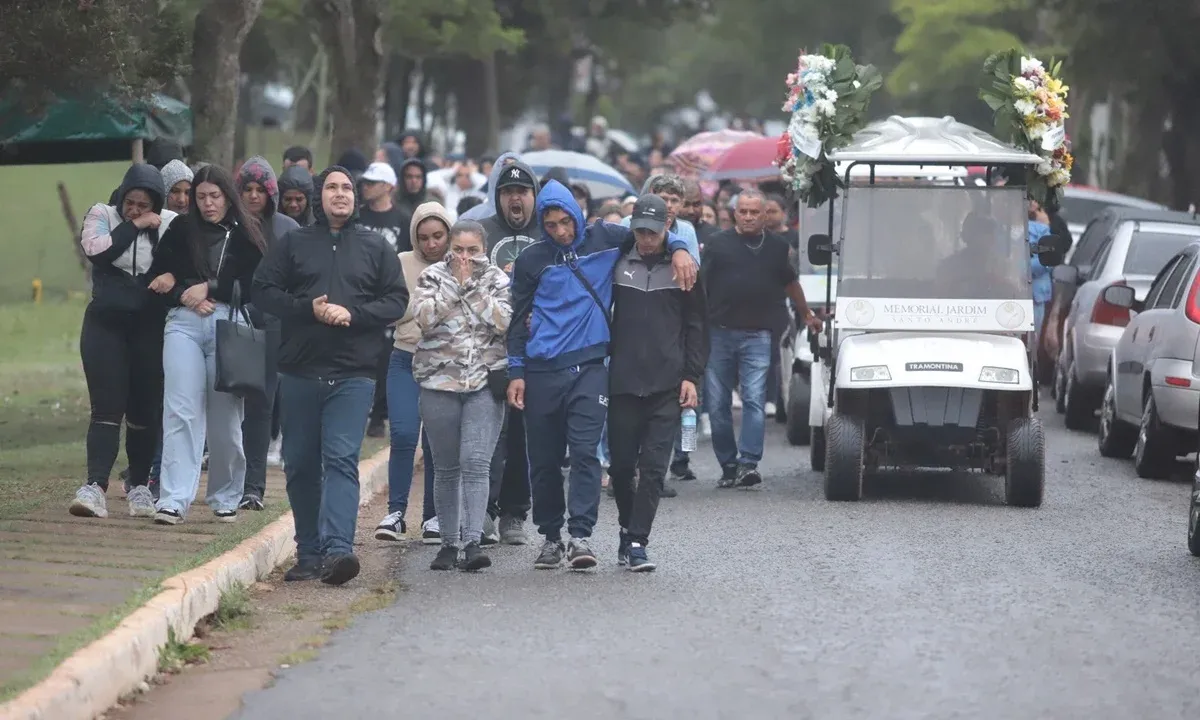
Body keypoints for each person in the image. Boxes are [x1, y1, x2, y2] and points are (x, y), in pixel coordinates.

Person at [506, 180, 696, 570]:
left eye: (566, 222)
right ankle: (551, 536)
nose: (561, 231)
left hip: (591, 367)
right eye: (552, 224)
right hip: (542, 369)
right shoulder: (532, 260)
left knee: (585, 453)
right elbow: (516, 322)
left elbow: (650, 234)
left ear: (577, 215)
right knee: (542, 460)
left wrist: (679, 248)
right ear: (542, 224)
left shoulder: (604, 238)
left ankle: (580, 536)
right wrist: (516, 371)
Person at [253, 165, 409, 586]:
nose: (340, 194)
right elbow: (263, 290)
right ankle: (309, 553)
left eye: (346, 188)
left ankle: (339, 551)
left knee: (340, 459)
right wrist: (309, 309)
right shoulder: (293, 244)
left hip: (353, 374)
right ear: (318, 196)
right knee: (301, 464)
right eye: (331, 188)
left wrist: (354, 314)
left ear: (355, 197)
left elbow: (396, 299)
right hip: (300, 370)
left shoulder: (376, 247)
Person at [147, 165, 267, 525]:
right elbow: (158, 279)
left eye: (215, 196)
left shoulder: (246, 233)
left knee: (225, 416)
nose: (207, 204)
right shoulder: (181, 229)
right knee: (180, 410)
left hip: (227, 325)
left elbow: (255, 285)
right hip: (183, 325)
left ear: (228, 196)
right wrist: (187, 293)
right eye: (201, 197)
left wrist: (210, 289)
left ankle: (226, 494)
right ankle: (173, 498)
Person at [70, 164, 179, 519]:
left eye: (143, 205)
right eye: (130, 202)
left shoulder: (170, 223)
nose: (135, 209)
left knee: (143, 412)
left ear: (156, 204)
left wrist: (170, 275)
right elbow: (97, 251)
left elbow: (188, 264)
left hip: (149, 327)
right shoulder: (101, 214)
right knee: (106, 408)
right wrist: (134, 226)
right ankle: (95, 486)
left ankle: (141, 487)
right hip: (106, 324)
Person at [608, 195, 707, 571]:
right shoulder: (617, 261)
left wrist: (692, 377)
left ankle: (637, 542)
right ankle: (625, 525)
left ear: (667, 227)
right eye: (640, 231)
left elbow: (698, 326)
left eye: (653, 231)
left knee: (652, 469)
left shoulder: (686, 269)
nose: (646, 239)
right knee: (619, 468)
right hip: (622, 381)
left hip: (667, 383)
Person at [701, 189, 821, 488]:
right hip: (719, 333)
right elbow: (700, 285)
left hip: (757, 334)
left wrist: (807, 314)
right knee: (717, 404)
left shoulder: (778, 247)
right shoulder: (717, 244)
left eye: (755, 212)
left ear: (765, 214)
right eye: (744, 211)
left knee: (754, 399)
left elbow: (790, 283)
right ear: (734, 213)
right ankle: (728, 464)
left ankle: (748, 463)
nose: (750, 217)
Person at [412, 221, 512, 571]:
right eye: (459, 250)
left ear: (483, 249)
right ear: (449, 248)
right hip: (438, 382)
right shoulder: (431, 277)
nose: (464, 257)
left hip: (484, 382)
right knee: (446, 466)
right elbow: (423, 318)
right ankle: (448, 543)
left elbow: (503, 321)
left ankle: (472, 542)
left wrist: (471, 287)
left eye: (472, 250)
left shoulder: (498, 279)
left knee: (476, 463)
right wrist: (455, 285)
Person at [618, 174, 700, 495]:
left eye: (674, 200)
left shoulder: (688, 232)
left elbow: (692, 276)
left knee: (672, 403)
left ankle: (660, 468)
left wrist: (679, 247)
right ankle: (628, 469)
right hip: (633, 320)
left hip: (671, 315)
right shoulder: (628, 223)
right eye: (662, 198)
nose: (668, 205)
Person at [373, 202, 449, 543]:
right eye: (424, 237)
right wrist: (420, 305)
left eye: (438, 236)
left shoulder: (459, 264)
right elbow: (388, 311)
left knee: (436, 443)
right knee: (403, 435)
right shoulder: (401, 262)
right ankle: (395, 513)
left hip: (444, 364)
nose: (431, 244)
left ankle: (433, 517)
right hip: (404, 358)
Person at [479, 159, 544, 546]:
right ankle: (484, 508)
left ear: (533, 195)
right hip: (490, 351)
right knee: (490, 433)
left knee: (523, 437)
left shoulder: (550, 232)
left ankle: (515, 513)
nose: (514, 198)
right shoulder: (482, 233)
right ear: (498, 198)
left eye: (522, 191)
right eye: (507, 192)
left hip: (537, 353)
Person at [234, 157, 301, 511]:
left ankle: (253, 486)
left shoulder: (287, 229)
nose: (254, 195)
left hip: (274, 327)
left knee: (261, 407)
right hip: (232, 320)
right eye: (248, 189)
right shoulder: (229, 226)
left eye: (261, 189)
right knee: (226, 405)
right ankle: (228, 481)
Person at [358, 161, 414, 439]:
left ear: (388, 187)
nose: (366, 187)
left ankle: (378, 415)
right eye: (365, 182)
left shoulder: (403, 220)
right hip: (359, 296)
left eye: (372, 183)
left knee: (385, 358)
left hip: (388, 298)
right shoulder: (357, 217)